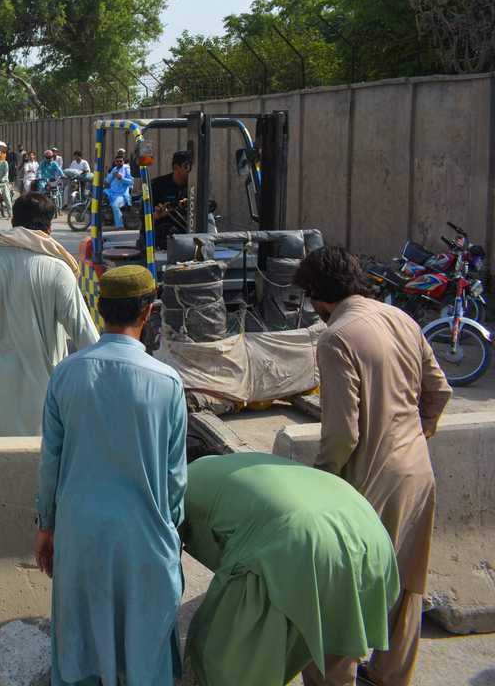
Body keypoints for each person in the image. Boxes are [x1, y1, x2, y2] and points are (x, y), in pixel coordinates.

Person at [293, 246, 452, 686]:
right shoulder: (402, 318)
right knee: (404, 585)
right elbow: (439, 392)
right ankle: (390, 676)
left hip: (369, 480)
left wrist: (323, 480)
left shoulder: (336, 337)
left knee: (341, 593)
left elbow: (343, 434)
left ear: (316, 294)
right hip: (418, 473)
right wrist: (417, 436)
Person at [35, 265, 186, 686]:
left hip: (80, 531)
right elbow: (175, 478)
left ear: (99, 310)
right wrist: (172, 531)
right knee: (146, 649)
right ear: (148, 311)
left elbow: (51, 462)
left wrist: (46, 527)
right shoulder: (167, 382)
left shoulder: (67, 374)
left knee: (80, 644)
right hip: (146, 537)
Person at [182, 452, 401, 686]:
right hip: (370, 536)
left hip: (297, 543)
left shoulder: (180, 490)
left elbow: (157, 559)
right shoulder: (227, 467)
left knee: (230, 658)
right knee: (336, 643)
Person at [0, 193, 98, 436]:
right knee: (39, 463)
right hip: (42, 387)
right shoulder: (58, 269)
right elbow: (88, 339)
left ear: (12, 221)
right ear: (49, 226)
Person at [148, 151, 191, 250]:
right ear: (176, 167)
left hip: (189, 229)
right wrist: (157, 215)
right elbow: (145, 218)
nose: (190, 171)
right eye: (186, 167)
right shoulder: (157, 185)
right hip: (166, 232)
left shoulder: (195, 185)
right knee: (170, 230)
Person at [106, 150, 134, 229]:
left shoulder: (126, 169)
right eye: (117, 161)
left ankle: (120, 225)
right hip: (111, 192)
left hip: (121, 194)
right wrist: (110, 175)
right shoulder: (114, 169)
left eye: (120, 161)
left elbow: (131, 182)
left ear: (123, 161)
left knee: (115, 205)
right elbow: (108, 180)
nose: (119, 163)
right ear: (115, 162)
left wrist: (121, 178)